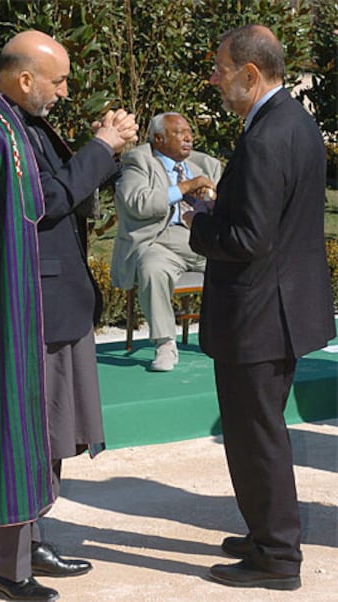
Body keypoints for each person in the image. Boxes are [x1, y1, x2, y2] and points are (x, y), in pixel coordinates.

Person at [0, 30, 138, 601]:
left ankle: (31, 540)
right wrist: (100, 148)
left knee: (46, 433)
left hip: (53, 305)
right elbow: (43, 204)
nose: (62, 92)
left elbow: (60, 192)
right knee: (17, 433)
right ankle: (6, 571)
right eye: (56, 81)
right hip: (23, 314)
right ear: (25, 78)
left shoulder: (18, 120)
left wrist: (99, 150)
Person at [183, 24, 336, 590]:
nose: (216, 80)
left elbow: (247, 240)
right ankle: (264, 532)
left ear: (251, 73)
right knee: (258, 431)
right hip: (280, 306)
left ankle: (276, 557)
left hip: (259, 313)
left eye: (222, 70)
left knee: (256, 435)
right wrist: (224, 204)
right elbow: (269, 215)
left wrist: (197, 222)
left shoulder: (268, 135)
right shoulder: (293, 120)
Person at [111, 112, 220, 371]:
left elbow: (229, 206)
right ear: (158, 139)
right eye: (179, 132)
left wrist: (212, 201)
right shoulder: (139, 161)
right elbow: (138, 203)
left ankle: (234, 333)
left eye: (189, 131)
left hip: (202, 238)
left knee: (242, 259)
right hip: (160, 240)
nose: (188, 137)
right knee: (151, 267)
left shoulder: (206, 164)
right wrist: (185, 187)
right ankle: (165, 344)